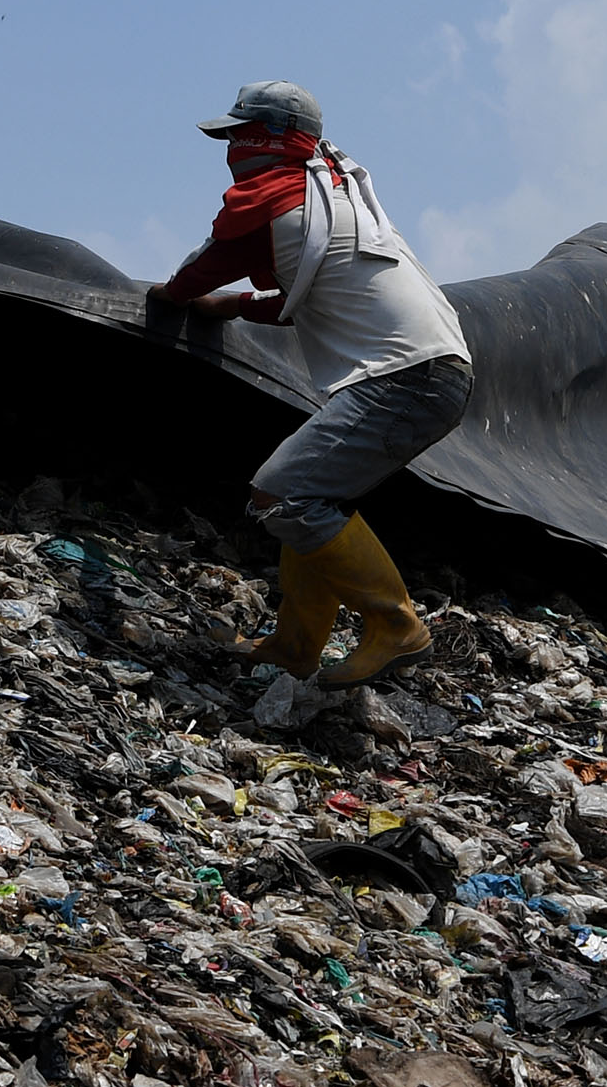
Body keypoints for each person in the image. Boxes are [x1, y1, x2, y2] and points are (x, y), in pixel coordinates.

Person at [149, 80, 472, 687]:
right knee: (313, 503)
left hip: (404, 378)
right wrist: (242, 305)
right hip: (434, 372)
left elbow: (196, 273)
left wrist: (166, 299)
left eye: (236, 136)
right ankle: (296, 646)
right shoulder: (336, 197)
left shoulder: (273, 196)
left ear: (263, 139)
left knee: (281, 495)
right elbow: (311, 300)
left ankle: (396, 625)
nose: (230, 149)